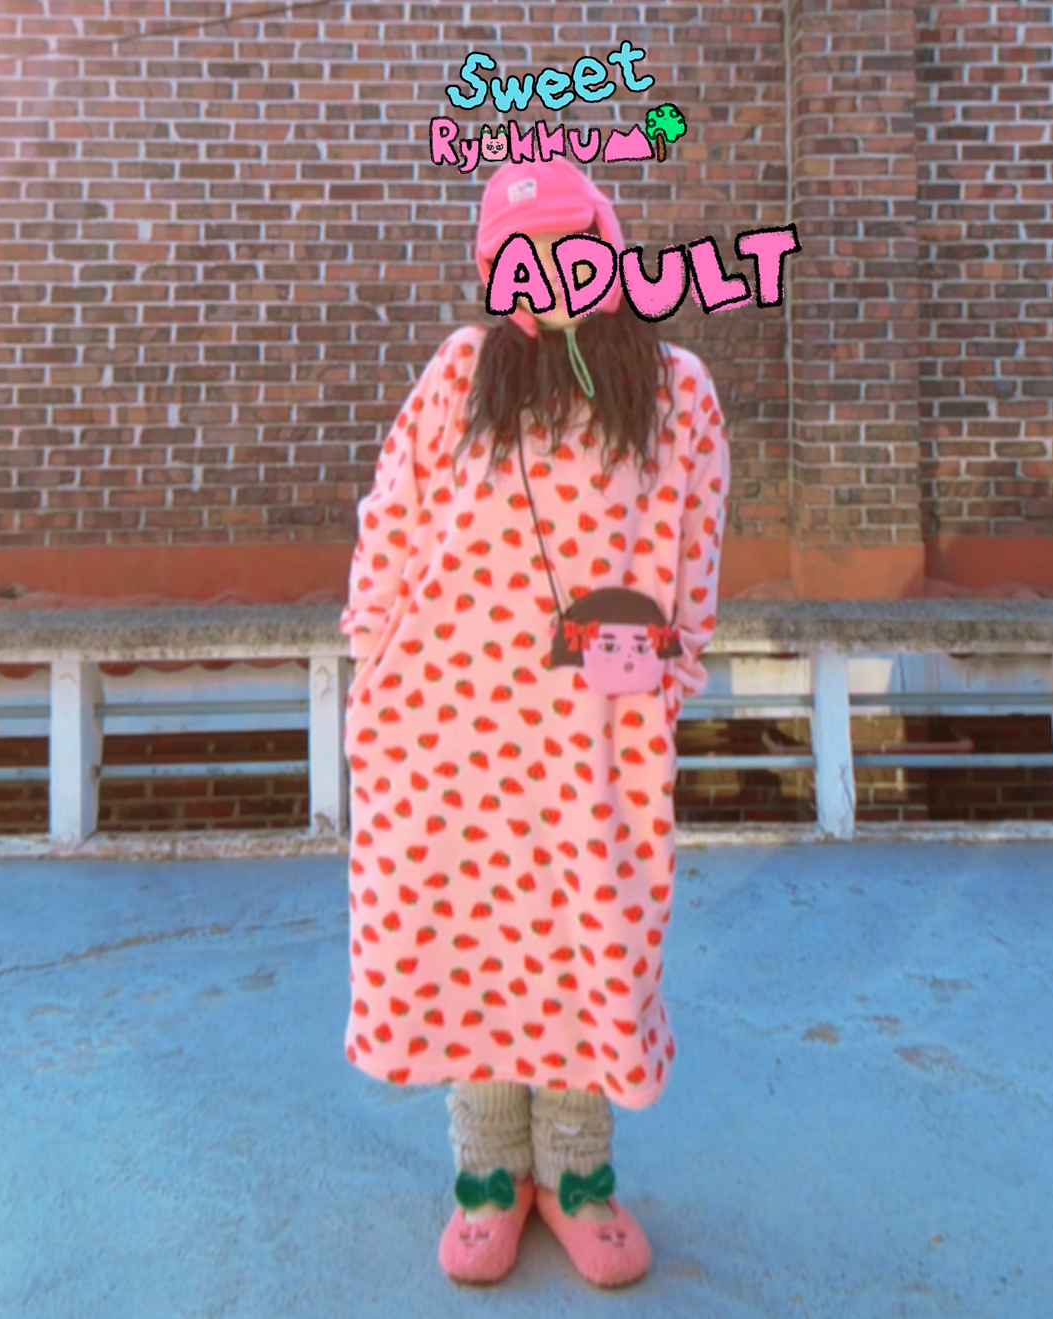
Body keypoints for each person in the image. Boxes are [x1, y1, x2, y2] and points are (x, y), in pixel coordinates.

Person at [338, 157, 730, 1288]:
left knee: (586, 923)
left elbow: (696, 538)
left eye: (568, 246)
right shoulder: (464, 372)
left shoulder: (675, 388)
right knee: (467, 923)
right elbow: (393, 511)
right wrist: (374, 649)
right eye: (521, 255)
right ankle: (486, 1173)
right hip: (448, 714)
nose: (548, 273)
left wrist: (671, 671)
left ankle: (575, 1172)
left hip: (594, 726)